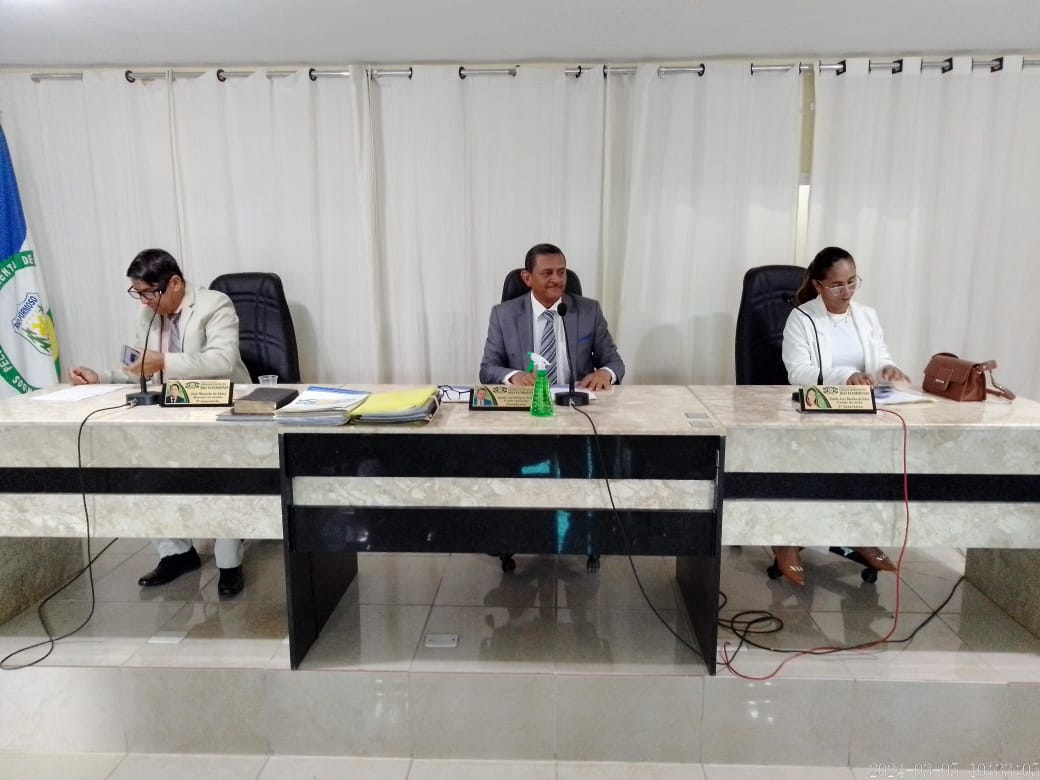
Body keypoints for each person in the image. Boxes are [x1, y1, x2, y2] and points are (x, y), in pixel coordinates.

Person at [69, 248, 252, 596]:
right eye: (138, 293)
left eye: (150, 293)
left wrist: (164, 361)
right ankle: (176, 553)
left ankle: (229, 562)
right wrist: (101, 377)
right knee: (139, 468)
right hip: (169, 409)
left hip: (218, 407)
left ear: (176, 283)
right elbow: (143, 370)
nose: (144, 302)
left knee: (223, 476)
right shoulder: (148, 314)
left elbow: (222, 360)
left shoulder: (215, 304)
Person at [775, 246, 909, 586]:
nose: (846, 291)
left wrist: (887, 368)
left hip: (860, 412)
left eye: (852, 282)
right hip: (814, 415)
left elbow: (879, 356)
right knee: (813, 467)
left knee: (870, 466)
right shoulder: (802, 319)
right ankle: (786, 541)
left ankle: (857, 533)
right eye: (837, 285)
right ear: (818, 285)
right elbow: (798, 371)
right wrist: (846, 375)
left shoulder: (867, 315)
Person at [479, 243, 625, 390]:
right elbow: (487, 369)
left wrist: (605, 373)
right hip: (529, 398)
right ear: (527, 278)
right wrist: (514, 376)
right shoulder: (503, 315)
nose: (557, 279)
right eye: (547, 273)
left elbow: (614, 362)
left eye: (561, 272)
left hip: (575, 398)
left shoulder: (589, 311)